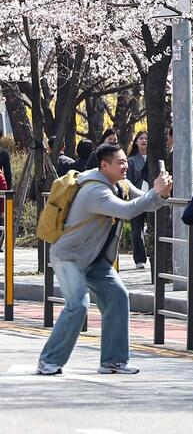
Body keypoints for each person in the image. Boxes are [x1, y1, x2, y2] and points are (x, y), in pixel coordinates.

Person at [36, 143, 174, 375]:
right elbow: (128, 210)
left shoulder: (120, 184)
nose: (125, 165)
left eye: (125, 161)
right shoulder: (94, 191)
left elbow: (146, 204)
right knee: (78, 304)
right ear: (104, 165)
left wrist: (161, 194)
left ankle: (114, 360)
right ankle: (48, 360)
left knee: (118, 296)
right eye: (119, 162)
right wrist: (154, 192)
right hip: (69, 257)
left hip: (94, 258)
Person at [125, 131, 151, 270]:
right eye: (141, 138)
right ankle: (140, 259)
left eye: (146, 138)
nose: (144, 141)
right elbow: (127, 181)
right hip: (137, 198)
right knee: (136, 230)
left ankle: (155, 256)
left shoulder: (155, 158)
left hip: (152, 197)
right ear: (136, 142)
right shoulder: (132, 161)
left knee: (154, 229)